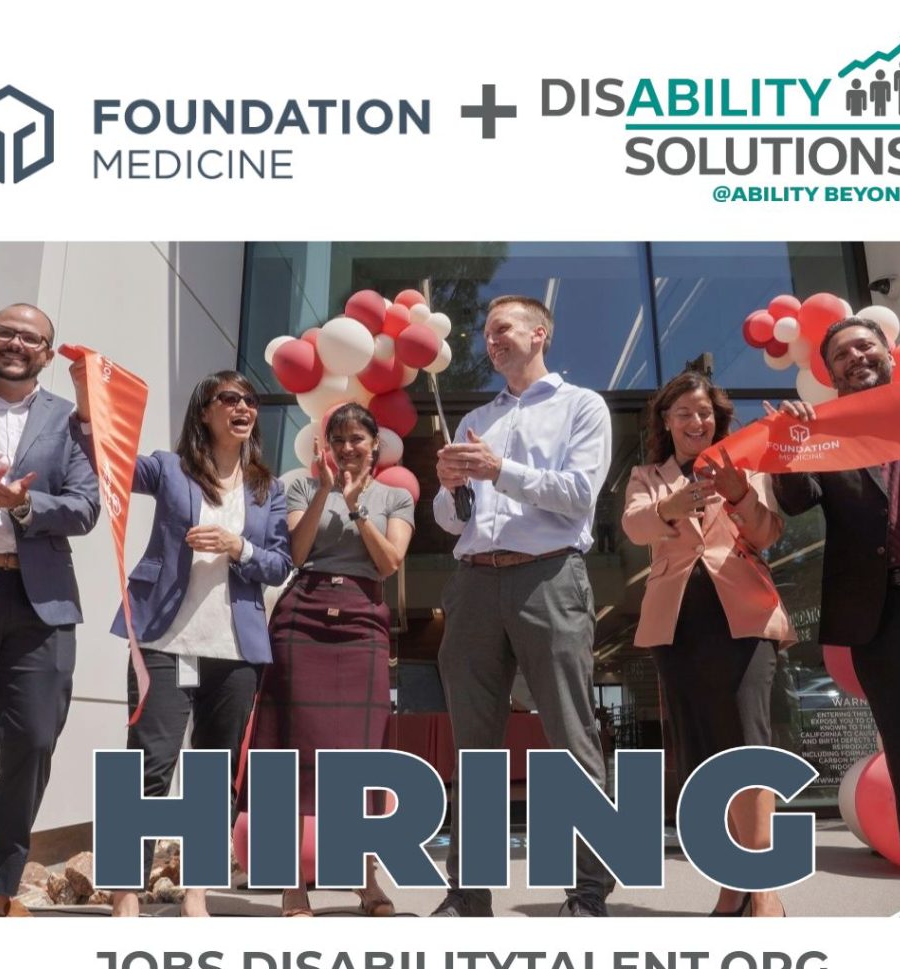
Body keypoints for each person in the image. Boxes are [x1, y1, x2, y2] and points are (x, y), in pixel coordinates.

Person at [71, 367, 290, 917]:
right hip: (165, 640)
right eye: (230, 398)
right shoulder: (170, 469)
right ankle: (124, 891)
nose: (243, 408)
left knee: (214, 774)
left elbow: (279, 563)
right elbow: (109, 460)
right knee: (147, 762)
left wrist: (238, 546)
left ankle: (196, 892)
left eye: (250, 400)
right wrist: (86, 400)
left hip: (234, 650)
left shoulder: (268, 489)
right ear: (204, 411)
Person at [770, 316, 900, 917]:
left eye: (865, 346)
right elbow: (796, 502)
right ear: (830, 373)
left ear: (888, 355)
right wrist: (791, 445)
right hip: (876, 617)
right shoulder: (826, 432)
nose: (856, 357)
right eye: (842, 354)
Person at [431, 294, 615, 917]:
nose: (491, 339)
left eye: (503, 328)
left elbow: (579, 495)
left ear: (540, 334)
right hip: (474, 582)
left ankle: (588, 892)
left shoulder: (581, 406)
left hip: (549, 576)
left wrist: (498, 469)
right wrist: (451, 488)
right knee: (473, 747)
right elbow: (452, 521)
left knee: (570, 734)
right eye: (487, 332)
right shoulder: (476, 418)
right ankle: (468, 894)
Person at [0, 304, 100, 917]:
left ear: (47, 354)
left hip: (40, 603)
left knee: (33, 740)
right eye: (5, 332)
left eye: (30, 338)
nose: (16, 343)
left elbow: (84, 505)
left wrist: (27, 507)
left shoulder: (68, 421)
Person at [623, 371, 795, 917]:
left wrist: (739, 493)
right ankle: (730, 883)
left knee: (747, 745)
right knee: (704, 754)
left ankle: (764, 887)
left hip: (743, 613)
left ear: (716, 418)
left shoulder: (746, 463)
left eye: (704, 412)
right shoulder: (647, 476)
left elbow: (768, 534)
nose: (695, 421)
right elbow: (634, 528)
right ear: (666, 421)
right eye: (684, 413)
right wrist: (669, 507)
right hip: (677, 623)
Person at [242, 402, 414, 917]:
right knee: (289, 750)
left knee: (361, 755)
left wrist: (358, 509)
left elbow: (389, 561)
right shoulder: (300, 487)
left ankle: (365, 879)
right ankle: (291, 884)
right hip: (303, 617)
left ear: (375, 445)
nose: (347, 448)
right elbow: (295, 554)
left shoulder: (396, 496)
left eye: (357, 438)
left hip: (363, 620)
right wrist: (325, 491)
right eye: (338, 440)